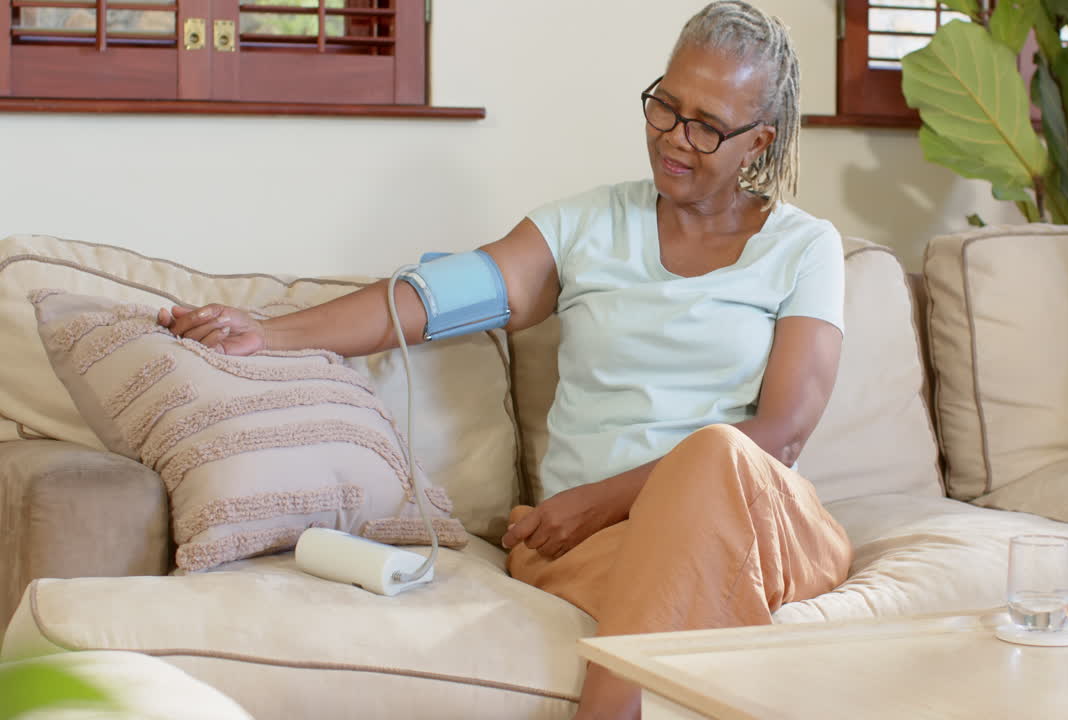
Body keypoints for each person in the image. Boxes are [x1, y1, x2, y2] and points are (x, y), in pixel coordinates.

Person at [161, 2, 854, 717]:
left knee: (715, 454)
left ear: (759, 141)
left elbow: (784, 432)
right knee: (666, 584)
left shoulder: (805, 248)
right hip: (597, 550)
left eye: (706, 125)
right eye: (664, 107)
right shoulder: (586, 226)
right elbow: (433, 300)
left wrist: (593, 503)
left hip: (757, 527)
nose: (674, 138)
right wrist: (268, 334)